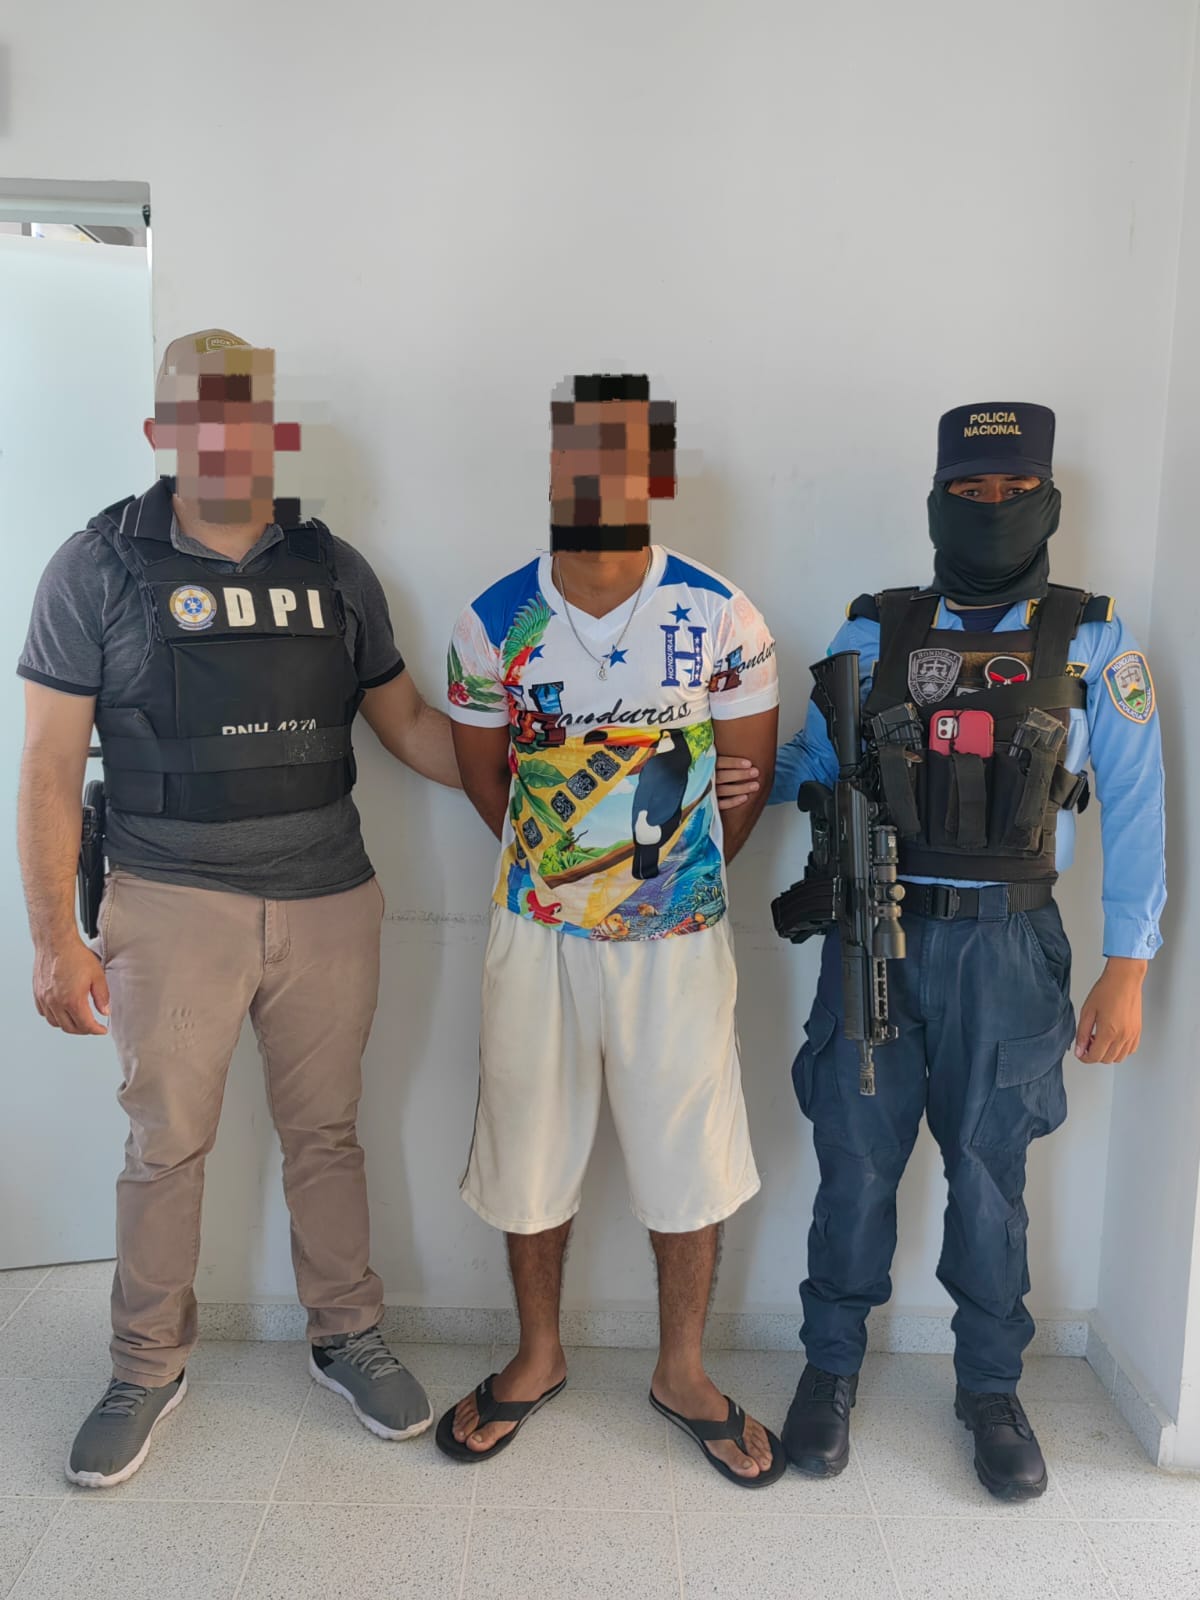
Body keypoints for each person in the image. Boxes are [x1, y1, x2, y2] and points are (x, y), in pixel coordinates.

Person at [17, 330, 461, 1488]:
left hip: (328, 899)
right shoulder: (94, 568)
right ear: (161, 433)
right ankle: (144, 1365)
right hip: (169, 905)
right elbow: (50, 767)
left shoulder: (336, 568)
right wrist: (55, 938)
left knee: (328, 1133)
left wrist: (550, 777)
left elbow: (411, 725)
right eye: (200, 419)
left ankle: (346, 1334)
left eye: (245, 417)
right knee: (164, 1146)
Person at [716, 402, 1166, 1498]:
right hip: (880, 928)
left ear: (1048, 500)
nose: (994, 507)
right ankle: (829, 1371)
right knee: (855, 1163)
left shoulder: (1095, 642)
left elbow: (1141, 808)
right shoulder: (874, 633)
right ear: (937, 500)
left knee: (990, 1177)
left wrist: (1130, 967)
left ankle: (991, 1389)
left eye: (1015, 490)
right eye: (972, 489)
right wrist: (737, 767)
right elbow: (813, 761)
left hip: (1011, 948)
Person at [440, 373, 786, 1485]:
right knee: (528, 1142)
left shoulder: (721, 614)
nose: (597, 479)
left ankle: (682, 1371)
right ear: (553, 471)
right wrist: (568, 876)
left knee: (688, 1154)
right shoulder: (496, 620)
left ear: (655, 477)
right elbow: (486, 782)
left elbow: (746, 785)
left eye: (623, 458)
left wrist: (655, 889)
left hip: (675, 939)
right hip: (536, 930)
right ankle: (537, 1355)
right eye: (577, 456)